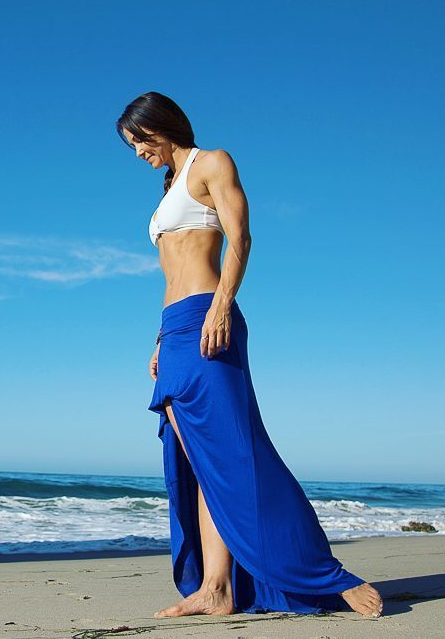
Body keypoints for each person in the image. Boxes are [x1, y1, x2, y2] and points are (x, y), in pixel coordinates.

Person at [115, 91, 384, 619]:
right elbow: (170, 273)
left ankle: (326, 574)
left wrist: (221, 306)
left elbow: (240, 239)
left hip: (208, 317)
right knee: (200, 463)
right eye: (132, 146)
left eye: (140, 140)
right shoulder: (168, 186)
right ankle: (215, 588)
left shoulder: (211, 163)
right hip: (175, 328)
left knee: (239, 454)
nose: (139, 152)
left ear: (162, 125)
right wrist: (160, 339)